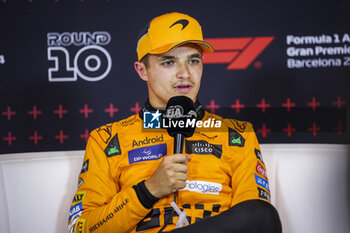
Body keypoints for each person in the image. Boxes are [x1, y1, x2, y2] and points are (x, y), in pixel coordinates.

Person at [68, 12, 282, 233]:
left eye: (193, 60)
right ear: (142, 71)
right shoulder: (106, 140)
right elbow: (81, 229)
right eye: (169, 62)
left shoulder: (238, 135)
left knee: (262, 215)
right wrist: (147, 191)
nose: (185, 73)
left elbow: (254, 222)